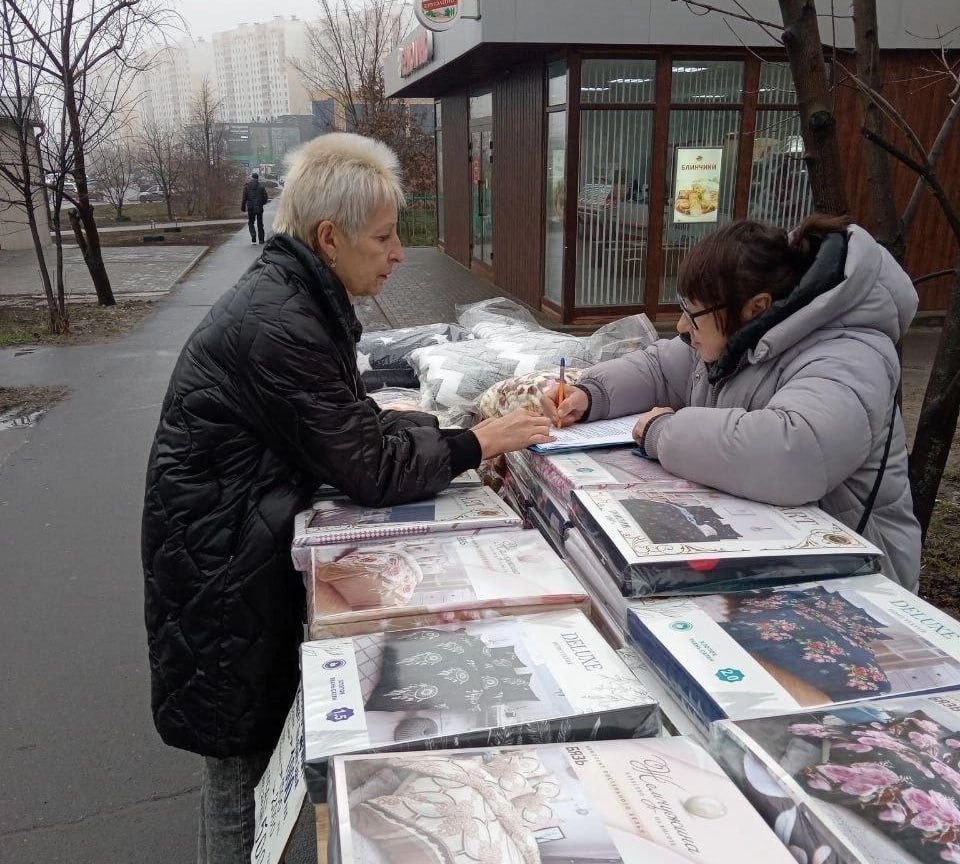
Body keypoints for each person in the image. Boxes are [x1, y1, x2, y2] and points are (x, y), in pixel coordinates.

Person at [142, 132, 552, 864]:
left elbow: (337, 422)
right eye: (386, 238)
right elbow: (367, 467)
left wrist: (413, 424)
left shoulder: (294, 295)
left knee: (246, 757)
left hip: (230, 544)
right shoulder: (281, 321)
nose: (399, 254)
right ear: (330, 238)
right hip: (221, 567)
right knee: (241, 767)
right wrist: (477, 442)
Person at [542, 215, 921, 590]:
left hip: (860, 576)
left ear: (755, 307)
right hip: (772, 556)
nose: (681, 326)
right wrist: (591, 394)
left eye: (694, 314)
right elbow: (659, 366)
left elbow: (794, 454)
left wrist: (663, 432)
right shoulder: (737, 337)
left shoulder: (849, 353)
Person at [240, 171, 269, 243]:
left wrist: (243, 207)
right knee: (260, 223)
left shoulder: (246, 186)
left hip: (250, 207)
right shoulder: (261, 187)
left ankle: (253, 234)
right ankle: (261, 240)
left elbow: (244, 198)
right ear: (257, 178)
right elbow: (266, 197)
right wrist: (262, 203)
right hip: (259, 207)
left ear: (252, 178)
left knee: (251, 222)